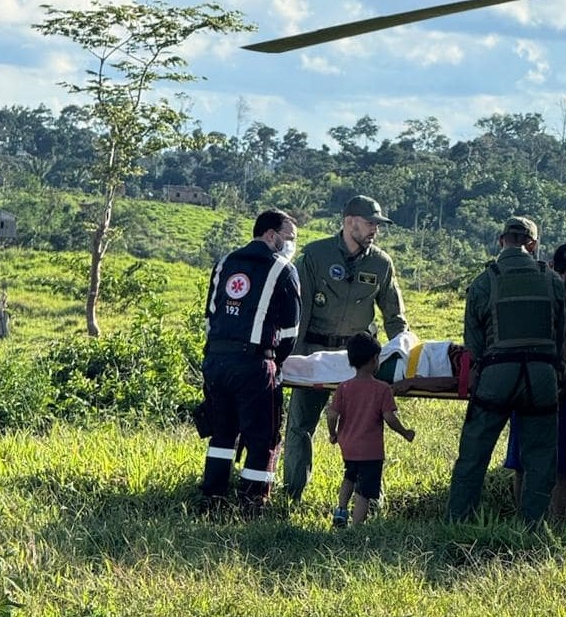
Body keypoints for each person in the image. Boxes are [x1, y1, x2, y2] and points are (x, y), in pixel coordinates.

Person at [283, 195, 410, 502]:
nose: (374, 231)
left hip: (359, 361)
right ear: (350, 221)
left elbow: (395, 317)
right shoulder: (316, 255)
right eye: (370, 224)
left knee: (367, 430)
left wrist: (406, 356)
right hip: (315, 353)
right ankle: (292, 494)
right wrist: (294, 361)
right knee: (301, 427)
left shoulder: (381, 263)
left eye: (377, 226)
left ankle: (369, 499)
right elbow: (299, 313)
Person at [446, 216, 566, 526]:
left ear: (502, 241)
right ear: (533, 244)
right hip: (541, 375)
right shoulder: (551, 280)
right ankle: (533, 526)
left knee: (474, 453)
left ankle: (459, 521)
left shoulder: (485, 281)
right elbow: (558, 337)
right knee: (540, 456)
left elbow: (473, 346)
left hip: (498, 374)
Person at [199, 209, 301, 515]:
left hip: (215, 360)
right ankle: (253, 501)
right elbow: (290, 332)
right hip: (254, 364)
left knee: (222, 432)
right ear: (271, 234)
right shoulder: (283, 269)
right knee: (262, 435)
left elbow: (210, 315)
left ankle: (212, 498)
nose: (291, 244)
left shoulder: (224, 263)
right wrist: (275, 364)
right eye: (289, 237)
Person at [504, 243, 566, 520]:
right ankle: (524, 522)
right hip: (531, 391)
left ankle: (557, 525)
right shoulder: (536, 299)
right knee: (522, 462)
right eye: (559, 271)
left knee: (563, 467)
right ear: (550, 267)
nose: (564, 279)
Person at [326, 332, 416, 527]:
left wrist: (333, 434)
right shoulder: (382, 389)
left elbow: (332, 415)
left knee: (349, 476)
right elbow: (389, 417)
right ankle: (356, 527)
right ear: (375, 359)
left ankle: (341, 510)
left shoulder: (343, 387)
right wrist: (405, 432)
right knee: (364, 492)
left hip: (348, 446)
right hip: (370, 451)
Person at [281, 330, 473, 396]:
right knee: (330, 364)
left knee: (330, 365)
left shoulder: (481, 367)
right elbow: (451, 382)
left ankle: (280, 367)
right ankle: (280, 366)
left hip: (402, 366)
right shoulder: (482, 357)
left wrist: (411, 382)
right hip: (406, 358)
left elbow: (451, 383)